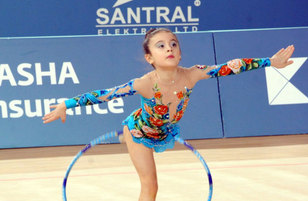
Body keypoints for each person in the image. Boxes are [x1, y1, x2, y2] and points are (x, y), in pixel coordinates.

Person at [42, 28, 295, 201]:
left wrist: (269, 62)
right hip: (140, 133)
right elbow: (105, 94)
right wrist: (67, 104)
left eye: (174, 44)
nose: (169, 48)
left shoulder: (192, 74)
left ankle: (125, 138)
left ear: (180, 52)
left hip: (165, 130)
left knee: (152, 150)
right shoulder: (144, 83)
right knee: (151, 186)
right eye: (161, 46)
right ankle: (126, 137)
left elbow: (230, 67)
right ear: (149, 57)